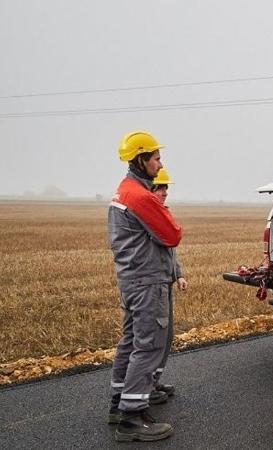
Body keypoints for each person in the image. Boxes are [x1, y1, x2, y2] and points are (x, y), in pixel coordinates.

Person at [107, 131, 182, 442]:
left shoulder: (124, 191)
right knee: (148, 344)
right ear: (141, 159)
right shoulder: (140, 197)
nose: (159, 162)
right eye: (155, 157)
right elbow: (172, 234)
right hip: (147, 280)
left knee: (131, 342)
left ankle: (118, 402)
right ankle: (132, 418)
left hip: (132, 279)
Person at [150, 168, 188, 400]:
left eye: (166, 188)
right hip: (153, 286)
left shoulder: (162, 213)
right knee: (154, 338)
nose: (164, 192)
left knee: (165, 337)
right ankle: (145, 388)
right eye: (159, 188)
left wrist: (179, 274)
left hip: (165, 283)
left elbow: (170, 252)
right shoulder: (147, 216)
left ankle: (153, 382)